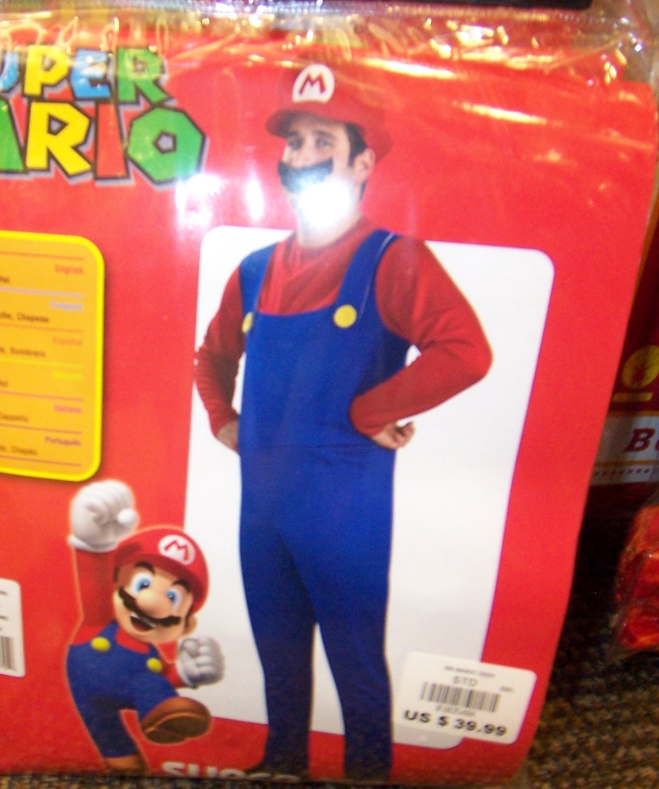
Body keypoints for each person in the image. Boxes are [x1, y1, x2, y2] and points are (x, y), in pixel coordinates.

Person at [195, 63, 493, 781]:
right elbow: (212, 356)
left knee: (355, 660)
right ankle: (281, 762)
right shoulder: (255, 269)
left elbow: (466, 351)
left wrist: (374, 407)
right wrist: (222, 418)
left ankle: (367, 772)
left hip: (345, 515)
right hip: (262, 511)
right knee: (277, 652)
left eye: (322, 140)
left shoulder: (393, 259)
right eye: (294, 140)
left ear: (362, 163)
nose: (301, 154)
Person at [66, 480, 225, 774]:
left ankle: (161, 720)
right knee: (110, 731)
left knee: (151, 684)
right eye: (143, 583)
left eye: (173, 597)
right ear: (114, 582)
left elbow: (164, 675)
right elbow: (92, 581)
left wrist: (186, 673)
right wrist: (94, 543)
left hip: (138, 687)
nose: (152, 603)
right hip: (89, 685)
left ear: (185, 626)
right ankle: (131, 746)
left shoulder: (151, 655)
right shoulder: (100, 619)